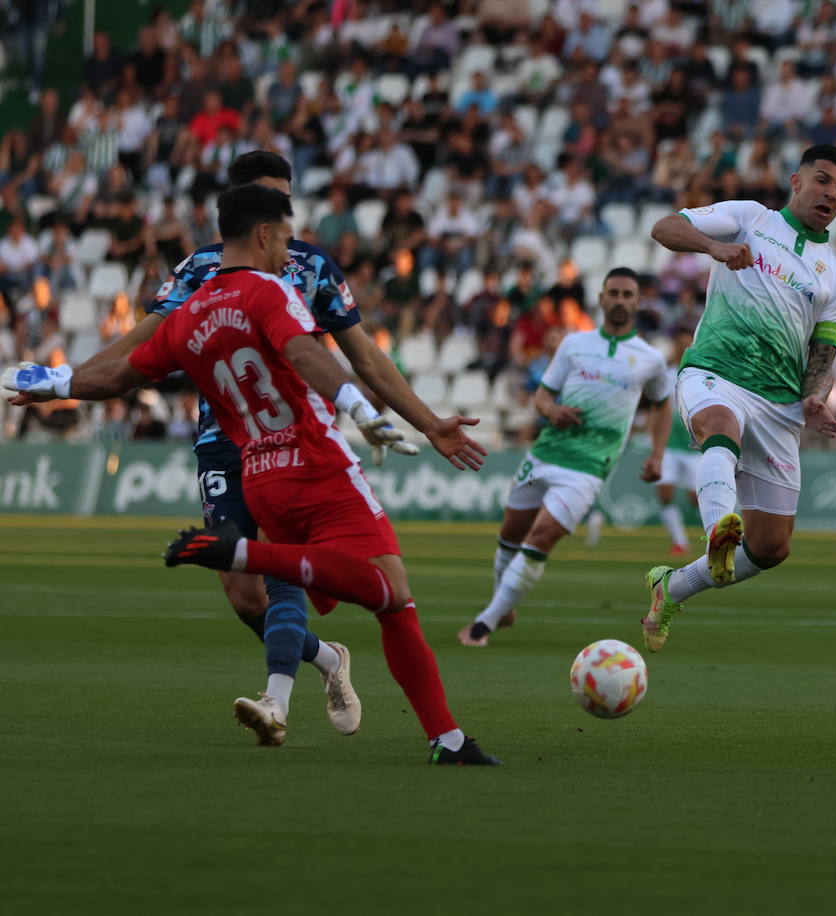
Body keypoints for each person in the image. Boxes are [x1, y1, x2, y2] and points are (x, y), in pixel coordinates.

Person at [4, 184, 498, 766]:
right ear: (263, 233)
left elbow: (120, 375)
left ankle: (290, 630)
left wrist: (57, 384)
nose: (290, 253)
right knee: (392, 596)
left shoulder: (189, 315)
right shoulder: (270, 290)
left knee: (326, 591)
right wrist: (361, 409)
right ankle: (444, 737)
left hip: (261, 478)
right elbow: (306, 354)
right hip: (317, 462)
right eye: (285, 239)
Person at [641, 144, 836, 652]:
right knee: (719, 424)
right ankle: (719, 528)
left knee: (772, 548)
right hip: (716, 371)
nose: (831, 193)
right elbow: (664, 228)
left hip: (780, 406)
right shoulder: (749, 219)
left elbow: (823, 357)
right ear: (796, 181)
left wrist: (816, 397)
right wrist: (712, 248)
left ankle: (672, 586)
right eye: (822, 180)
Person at [457, 268, 673, 647]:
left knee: (541, 537)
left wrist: (657, 453)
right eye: (614, 293)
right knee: (510, 534)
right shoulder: (574, 345)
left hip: (589, 467)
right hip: (544, 453)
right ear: (602, 299)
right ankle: (503, 607)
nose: (620, 301)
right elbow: (543, 395)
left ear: (638, 302)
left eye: (628, 295)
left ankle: (483, 625)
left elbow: (661, 406)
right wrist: (551, 411)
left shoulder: (651, 359)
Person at [655, 327, 700, 555]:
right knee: (664, 493)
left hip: (695, 447)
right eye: (680, 343)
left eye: (687, 343)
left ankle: (727, 534)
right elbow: (659, 407)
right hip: (670, 444)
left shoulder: (702, 375)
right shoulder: (668, 374)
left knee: (696, 499)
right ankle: (680, 542)